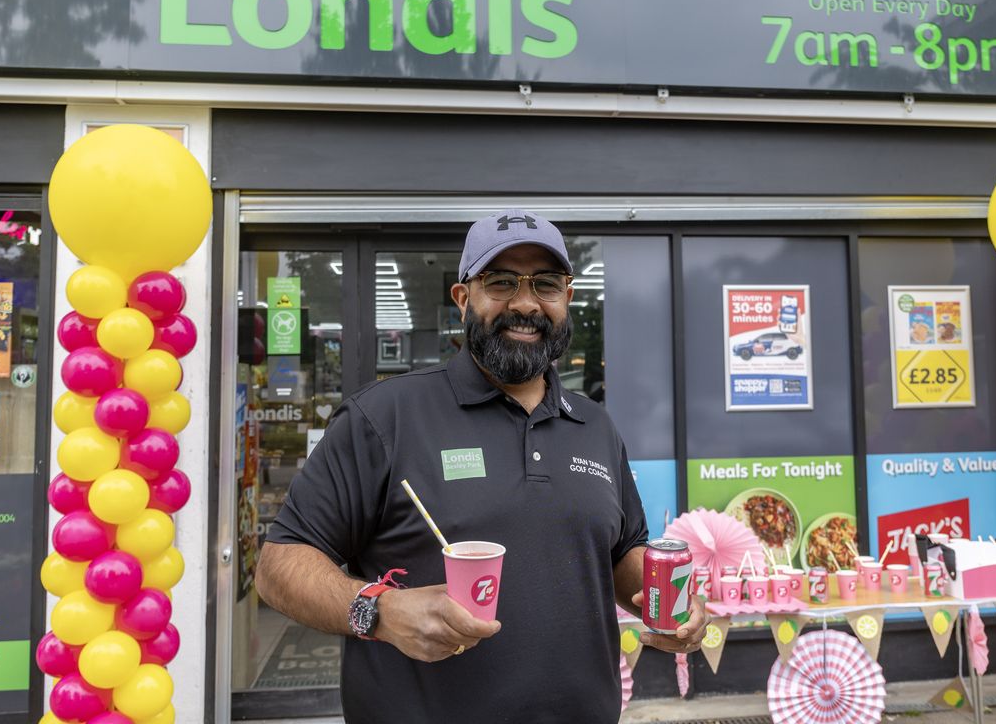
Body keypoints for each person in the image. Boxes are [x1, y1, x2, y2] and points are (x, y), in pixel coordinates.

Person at [256, 209, 706, 724]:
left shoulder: (594, 424)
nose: (524, 303)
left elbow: (621, 551)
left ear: (568, 297)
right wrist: (376, 611)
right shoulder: (384, 417)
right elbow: (279, 566)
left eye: (546, 284)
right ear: (463, 297)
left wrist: (669, 603)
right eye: (500, 282)